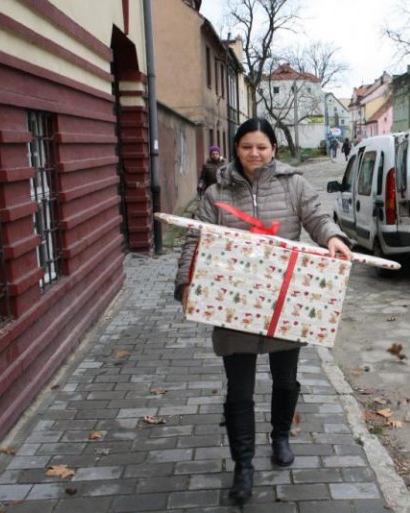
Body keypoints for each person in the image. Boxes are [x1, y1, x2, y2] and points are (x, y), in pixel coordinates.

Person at [174, 118, 352, 505]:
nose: (255, 153)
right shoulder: (216, 192)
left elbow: (317, 218)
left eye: (262, 146)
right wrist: (186, 281)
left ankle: (281, 435)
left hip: (284, 301)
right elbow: (196, 237)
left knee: (285, 381)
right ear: (236, 149)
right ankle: (243, 465)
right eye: (247, 146)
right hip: (233, 301)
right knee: (239, 390)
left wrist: (334, 238)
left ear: (273, 148)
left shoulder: (293, 184)